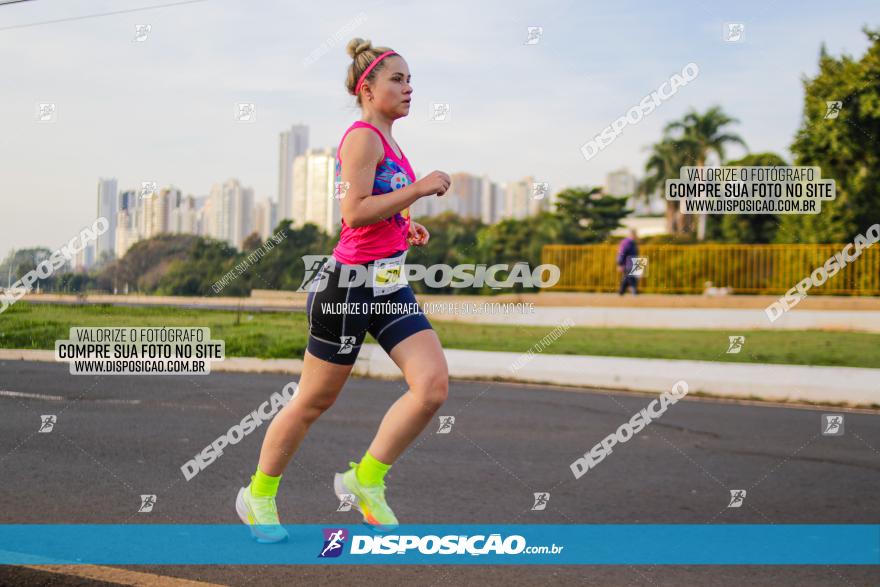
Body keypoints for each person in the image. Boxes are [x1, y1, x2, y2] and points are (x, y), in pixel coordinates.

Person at [235, 38, 452, 542]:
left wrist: (404, 223)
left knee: (432, 386)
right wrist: (417, 191)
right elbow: (352, 212)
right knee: (313, 402)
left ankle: (365, 479)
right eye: (397, 79)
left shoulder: (391, 142)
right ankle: (259, 495)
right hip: (348, 286)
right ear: (367, 88)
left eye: (410, 79)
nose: (408, 87)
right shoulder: (362, 138)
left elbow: (377, 208)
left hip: (388, 283)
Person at [617, 229, 639, 295]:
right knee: (631, 279)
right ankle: (634, 293)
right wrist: (620, 263)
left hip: (632, 263)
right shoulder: (627, 242)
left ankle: (621, 292)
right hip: (627, 264)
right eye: (635, 234)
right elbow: (621, 253)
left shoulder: (633, 243)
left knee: (627, 278)